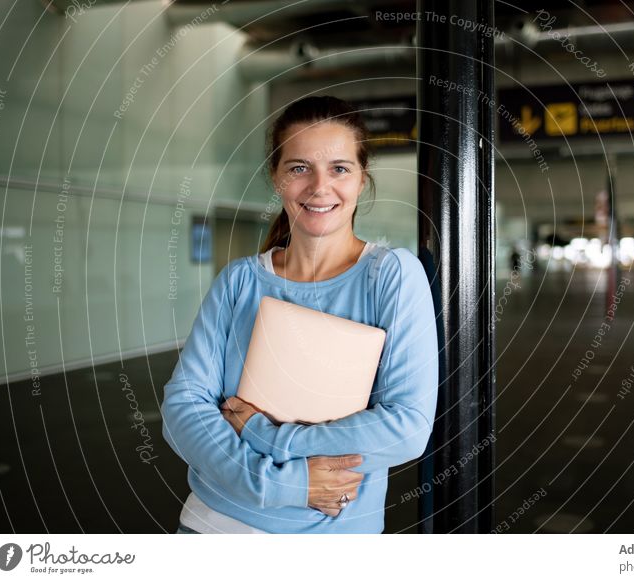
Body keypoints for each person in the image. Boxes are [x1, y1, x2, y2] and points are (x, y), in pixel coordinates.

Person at [161, 95, 439, 534]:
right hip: (216, 528)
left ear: (362, 178)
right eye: (298, 167)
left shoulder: (391, 277)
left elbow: (406, 427)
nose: (319, 187)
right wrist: (283, 482)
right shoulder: (239, 282)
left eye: (339, 169)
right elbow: (183, 409)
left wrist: (262, 434)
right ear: (277, 178)